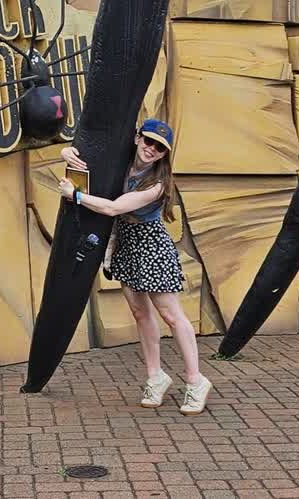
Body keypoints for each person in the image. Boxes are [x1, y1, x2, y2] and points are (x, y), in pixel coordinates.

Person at [58, 119, 212, 415]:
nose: (151, 149)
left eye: (159, 147)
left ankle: (196, 381)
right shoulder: (121, 160)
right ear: (138, 138)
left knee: (171, 315)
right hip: (126, 243)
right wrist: (67, 153)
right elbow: (81, 154)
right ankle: (155, 377)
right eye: (148, 141)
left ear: (165, 154)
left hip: (152, 246)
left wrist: (75, 195)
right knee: (141, 313)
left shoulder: (158, 183)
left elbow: (113, 208)